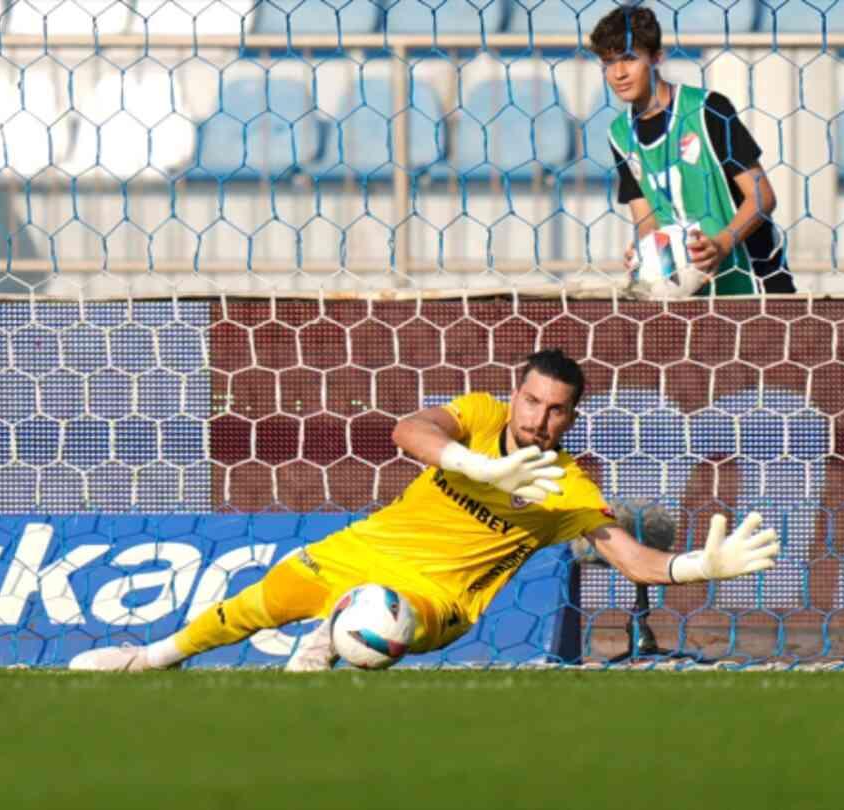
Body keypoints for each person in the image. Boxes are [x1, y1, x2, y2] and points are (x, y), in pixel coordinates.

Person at [70, 348, 780, 672]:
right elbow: (408, 431)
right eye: (531, 402)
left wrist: (697, 564)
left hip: (438, 599)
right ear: (515, 396)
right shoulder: (474, 417)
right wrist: (477, 464)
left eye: (556, 411)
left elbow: (631, 558)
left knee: (383, 618)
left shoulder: (566, 490)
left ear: (569, 419)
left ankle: (343, 623)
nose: (538, 419)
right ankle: (152, 657)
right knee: (264, 599)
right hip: (368, 546)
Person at [590, 5, 796, 296]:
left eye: (629, 58)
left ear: (656, 58)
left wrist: (722, 245)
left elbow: (762, 197)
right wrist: (644, 252)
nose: (619, 73)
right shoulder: (619, 134)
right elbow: (646, 218)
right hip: (689, 296)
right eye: (608, 63)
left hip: (755, 285)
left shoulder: (707, 110)